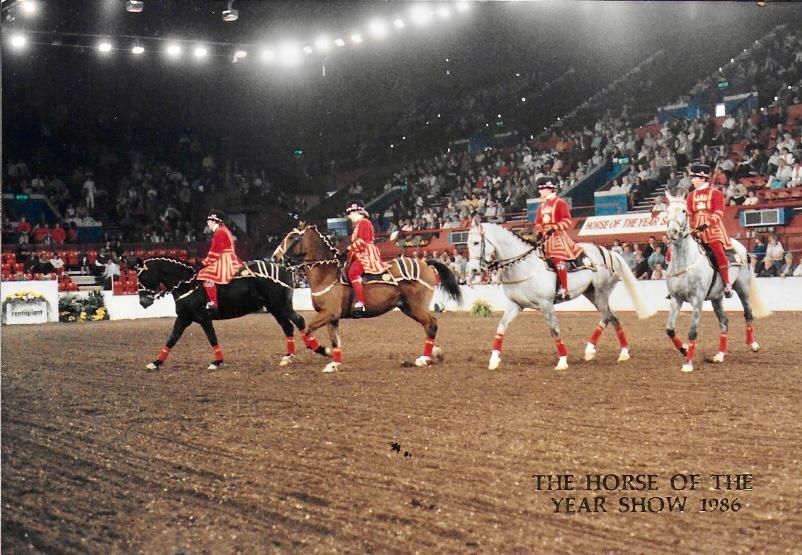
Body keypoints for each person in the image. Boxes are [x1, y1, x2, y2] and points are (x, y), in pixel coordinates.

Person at [686, 163, 734, 297]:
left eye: (694, 178)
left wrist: (706, 224)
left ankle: (727, 284)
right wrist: (691, 227)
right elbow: (689, 214)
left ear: (702, 177)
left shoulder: (716, 194)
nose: (692, 180)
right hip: (695, 229)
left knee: (718, 252)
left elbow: (718, 212)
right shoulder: (690, 196)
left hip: (712, 228)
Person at [533, 177, 582, 300]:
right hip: (544, 238)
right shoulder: (541, 206)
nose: (540, 192)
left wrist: (554, 227)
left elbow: (567, 220)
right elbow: (538, 222)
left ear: (549, 189)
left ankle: (564, 289)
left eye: (542, 189)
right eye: (540, 189)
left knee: (557, 258)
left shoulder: (560, 203)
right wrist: (539, 231)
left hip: (557, 236)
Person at [197, 210, 244, 313]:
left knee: (204, 274)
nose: (207, 223)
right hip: (227, 257)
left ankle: (213, 302)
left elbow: (215, 251)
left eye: (209, 221)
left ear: (214, 221)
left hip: (225, 260)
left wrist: (204, 262)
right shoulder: (223, 230)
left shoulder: (220, 232)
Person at [345, 199, 385, 313]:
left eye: (350, 214)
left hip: (367, 253)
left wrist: (349, 249)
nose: (349, 217)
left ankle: (362, 302)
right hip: (359, 252)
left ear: (356, 212)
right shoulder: (358, 224)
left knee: (353, 273)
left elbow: (363, 241)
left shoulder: (364, 222)